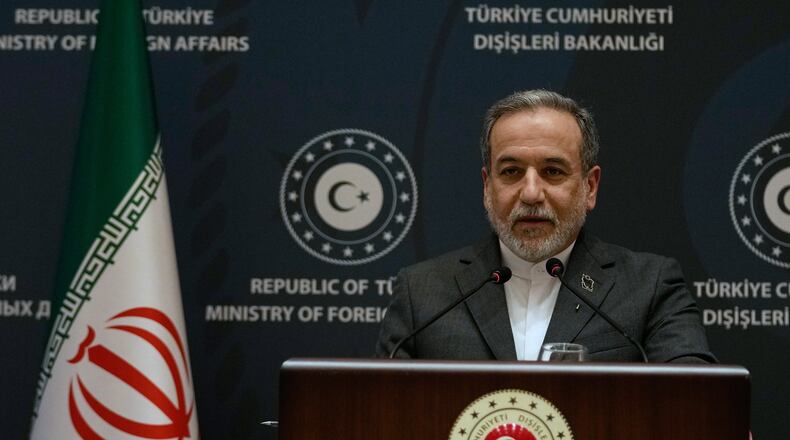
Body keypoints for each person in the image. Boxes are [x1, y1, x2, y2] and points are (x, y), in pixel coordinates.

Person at [376, 89, 715, 362]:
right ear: (486, 186)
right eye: (511, 172)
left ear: (590, 187)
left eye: (553, 171)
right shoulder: (422, 294)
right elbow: (380, 414)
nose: (531, 193)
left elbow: (696, 402)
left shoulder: (649, 286)